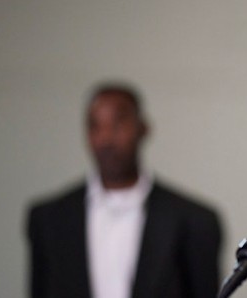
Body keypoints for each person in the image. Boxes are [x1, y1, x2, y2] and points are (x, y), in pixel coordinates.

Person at [27, 83, 222, 298]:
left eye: (118, 123)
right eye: (95, 126)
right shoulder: (49, 220)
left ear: (143, 128)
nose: (106, 139)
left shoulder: (194, 221)